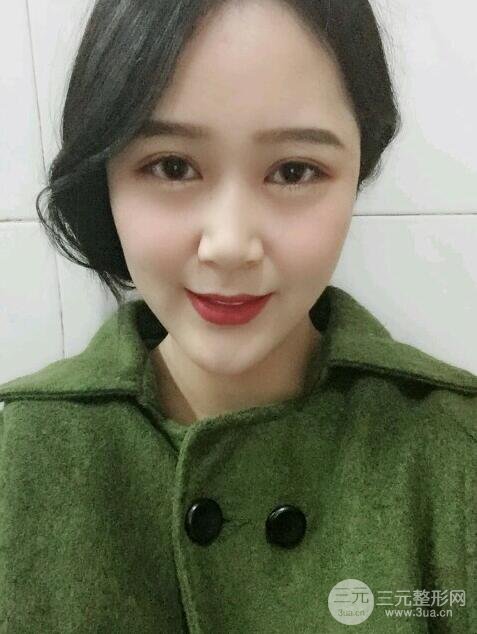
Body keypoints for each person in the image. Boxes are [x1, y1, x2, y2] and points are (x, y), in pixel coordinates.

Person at [0, 0, 475, 631]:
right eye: (172, 166)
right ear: (104, 176)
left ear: (358, 171)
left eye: (293, 171)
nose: (229, 246)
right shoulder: (18, 455)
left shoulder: (455, 454)